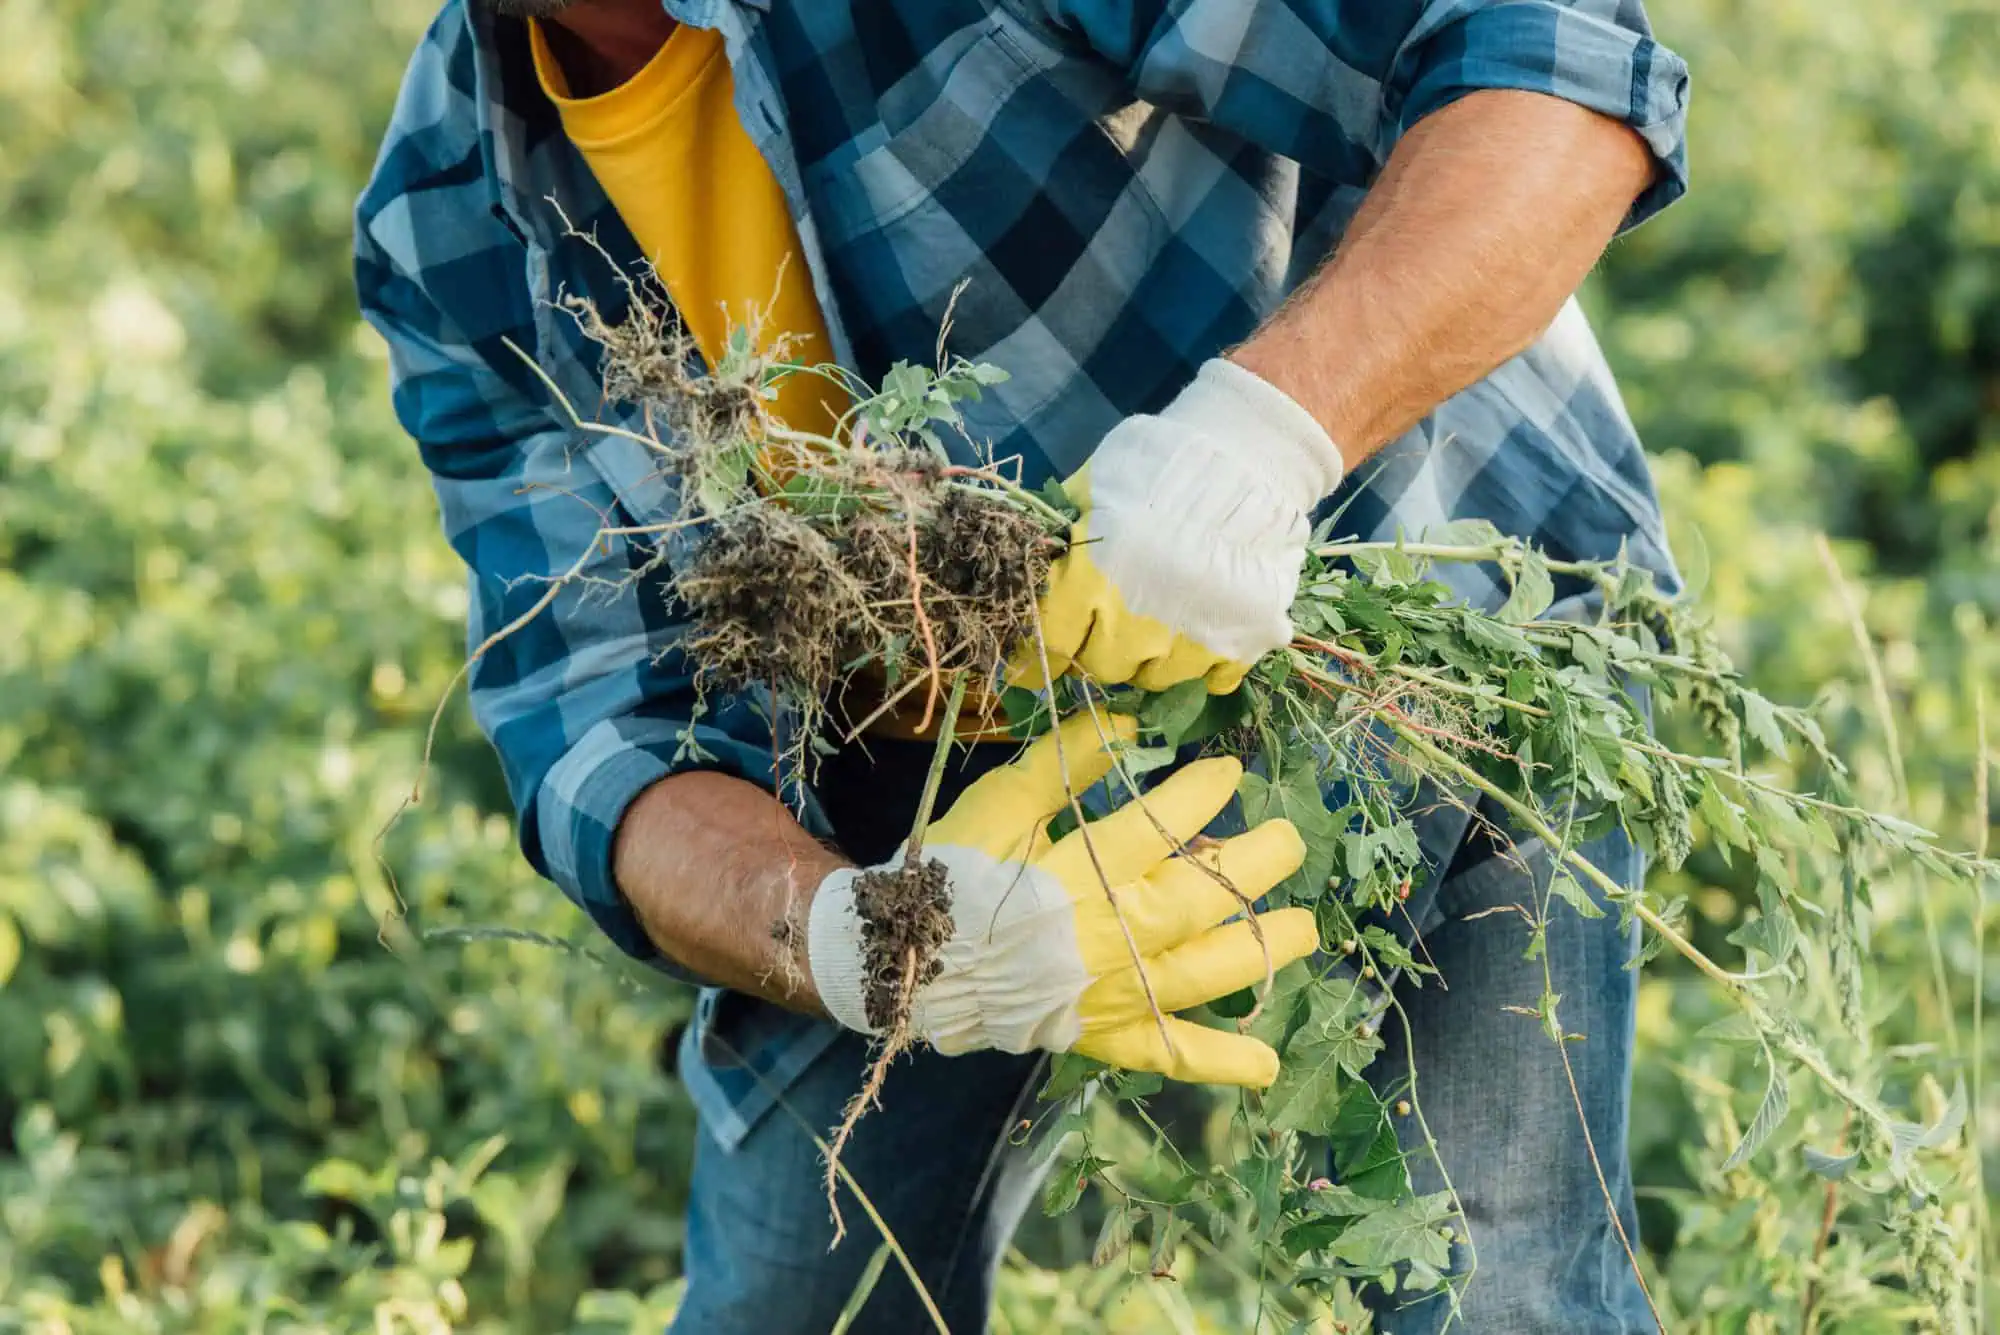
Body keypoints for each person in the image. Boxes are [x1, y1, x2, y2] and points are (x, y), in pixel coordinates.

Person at [355, 1, 1690, 1329]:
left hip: (1395, 585)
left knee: (1494, 1287)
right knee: (795, 1299)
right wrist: (858, 939)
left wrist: (1263, 438)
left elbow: (1553, 66)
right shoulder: (447, 217)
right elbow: (604, 733)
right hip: (924, 781)